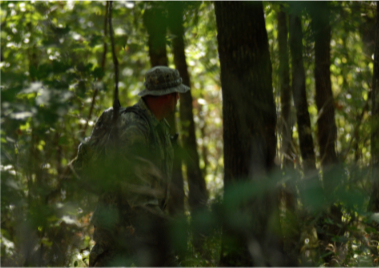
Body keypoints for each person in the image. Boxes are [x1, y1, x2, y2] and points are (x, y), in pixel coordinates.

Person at [75, 66, 189, 267]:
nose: (178, 100)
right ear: (166, 96)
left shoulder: (159, 126)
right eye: (176, 95)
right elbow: (136, 191)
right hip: (117, 236)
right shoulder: (134, 129)